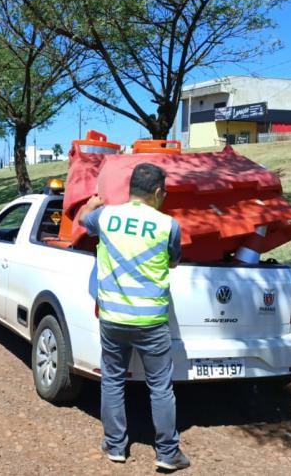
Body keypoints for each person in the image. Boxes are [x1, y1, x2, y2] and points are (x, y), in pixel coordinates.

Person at [78, 163, 190, 471]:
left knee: (113, 380)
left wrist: (92, 204)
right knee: (160, 386)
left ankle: (115, 447)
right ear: (157, 193)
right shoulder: (169, 225)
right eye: (164, 193)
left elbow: (80, 223)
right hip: (151, 321)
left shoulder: (105, 217)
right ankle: (168, 454)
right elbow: (174, 263)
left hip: (113, 317)